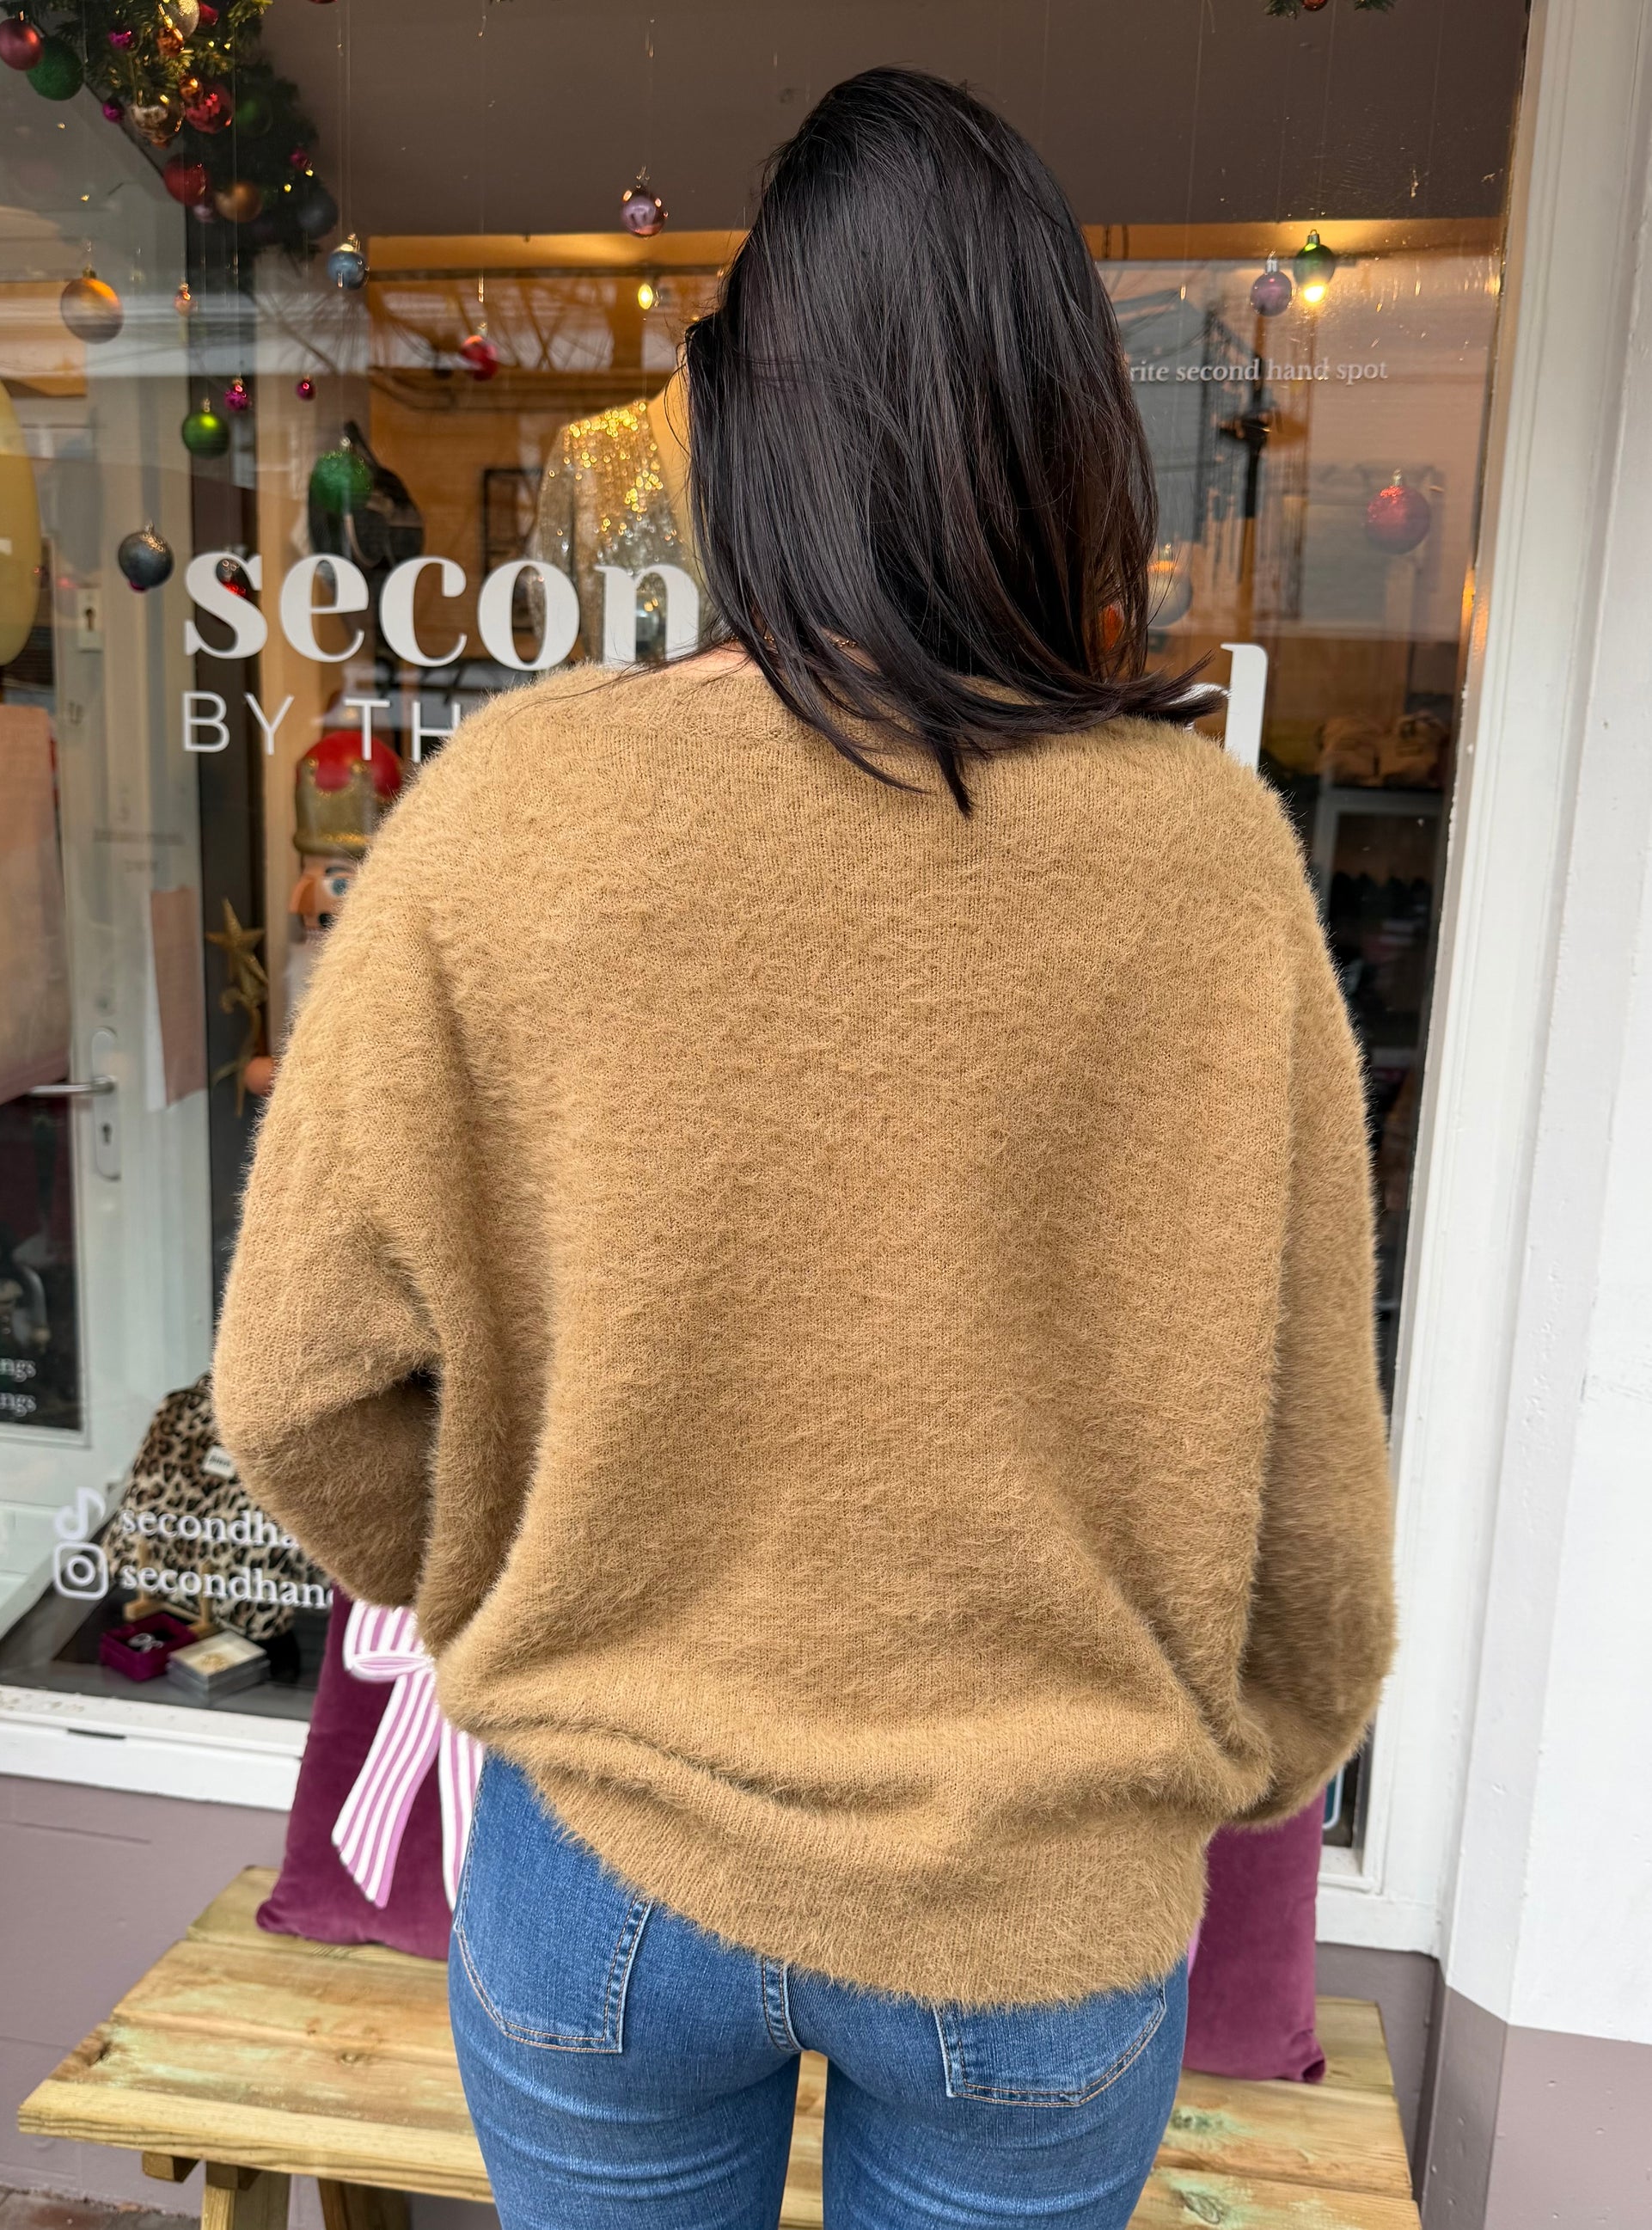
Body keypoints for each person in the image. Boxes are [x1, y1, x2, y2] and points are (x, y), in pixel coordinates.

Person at [213, 65, 1395, 2230]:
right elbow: (1314, 1531)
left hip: (605, 1852)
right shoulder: (1211, 870)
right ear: (1068, 440)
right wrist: (1210, 1775)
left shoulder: (510, 814)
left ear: (739, 432)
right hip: (1043, 1897)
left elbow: (296, 1397)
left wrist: (526, 1606)